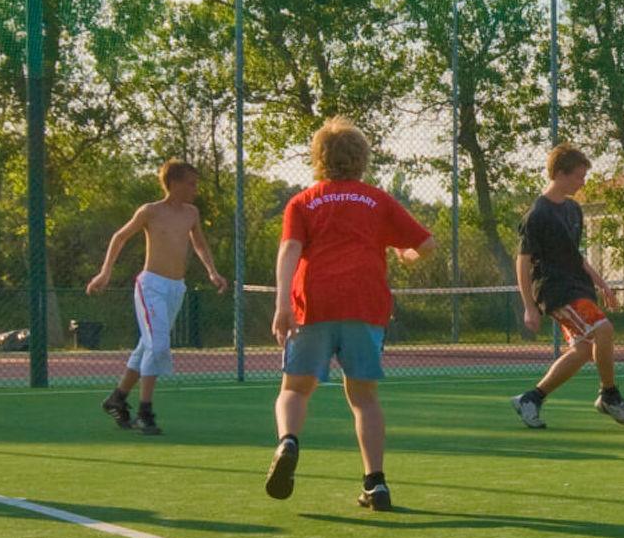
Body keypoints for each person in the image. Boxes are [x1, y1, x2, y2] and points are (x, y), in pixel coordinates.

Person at [263, 119, 432, 511]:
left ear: (318, 158)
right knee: (364, 398)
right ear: (361, 158)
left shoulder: (302, 202)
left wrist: (282, 304)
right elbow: (427, 244)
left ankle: (288, 440)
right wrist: (404, 252)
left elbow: (289, 250)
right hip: (364, 305)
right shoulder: (377, 200)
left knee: (293, 389)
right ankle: (375, 483)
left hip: (314, 304)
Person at [86, 160, 229, 435]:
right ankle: (145, 412)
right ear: (174, 183)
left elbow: (199, 242)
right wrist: (104, 273)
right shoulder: (150, 211)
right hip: (151, 285)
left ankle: (117, 398)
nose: (195, 189)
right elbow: (120, 236)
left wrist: (212, 271)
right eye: (190, 183)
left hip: (176, 288)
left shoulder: (191, 213)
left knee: (148, 346)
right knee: (159, 344)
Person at [509, 145, 624, 430]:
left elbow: (574, 256)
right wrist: (528, 307)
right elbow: (522, 262)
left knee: (582, 351)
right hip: (555, 290)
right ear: (559, 174)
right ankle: (609, 396)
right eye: (578, 176)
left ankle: (531, 399)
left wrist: (602, 284)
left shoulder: (573, 209)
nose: (583, 182)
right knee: (603, 328)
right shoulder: (537, 214)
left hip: (578, 287)